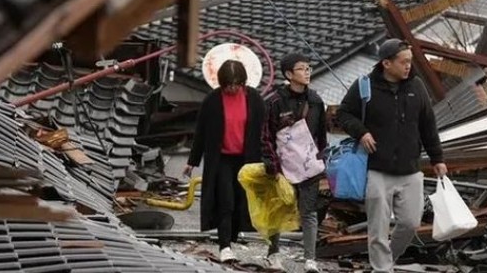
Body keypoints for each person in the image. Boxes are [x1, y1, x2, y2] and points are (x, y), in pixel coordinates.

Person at [335, 39, 446, 273]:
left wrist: (438, 158)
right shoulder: (364, 86)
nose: (408, 66)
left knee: (410, 223)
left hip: (410, 169)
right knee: (378, 227)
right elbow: (344, 114)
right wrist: (361, 132)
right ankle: (382, 269)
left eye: (410, 61)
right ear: (386, 63)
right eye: (403, 62)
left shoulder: (417, 86)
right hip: (377, 168)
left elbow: (428, 125)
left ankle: (387, 260)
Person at [184, 59, 266, 263]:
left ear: (243, 83)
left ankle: (233, 236)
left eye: (237, 84)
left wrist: (268, 159)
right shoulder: (212, 100)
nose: (232, 88)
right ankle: (224, 246)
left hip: (247, 158)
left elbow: (265, 131)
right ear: (222, 83)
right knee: (225, 200)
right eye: (229, 84)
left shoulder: (254, 99)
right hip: (221, 158)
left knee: (242, 200)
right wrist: (192, 161)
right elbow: (201, 132)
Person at [261, 53, 328, 273]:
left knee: (308, 212)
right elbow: (265, 136)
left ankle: (310, 259)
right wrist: (271, 163)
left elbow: (321, 135)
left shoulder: (316, 101)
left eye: (308, 68)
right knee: (278, 209)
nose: (307, 71)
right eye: (301, 69)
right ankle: (273, 254)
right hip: (281, 166)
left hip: (309, 166)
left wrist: (321, 159)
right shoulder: (274, 102)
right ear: (289, 74)